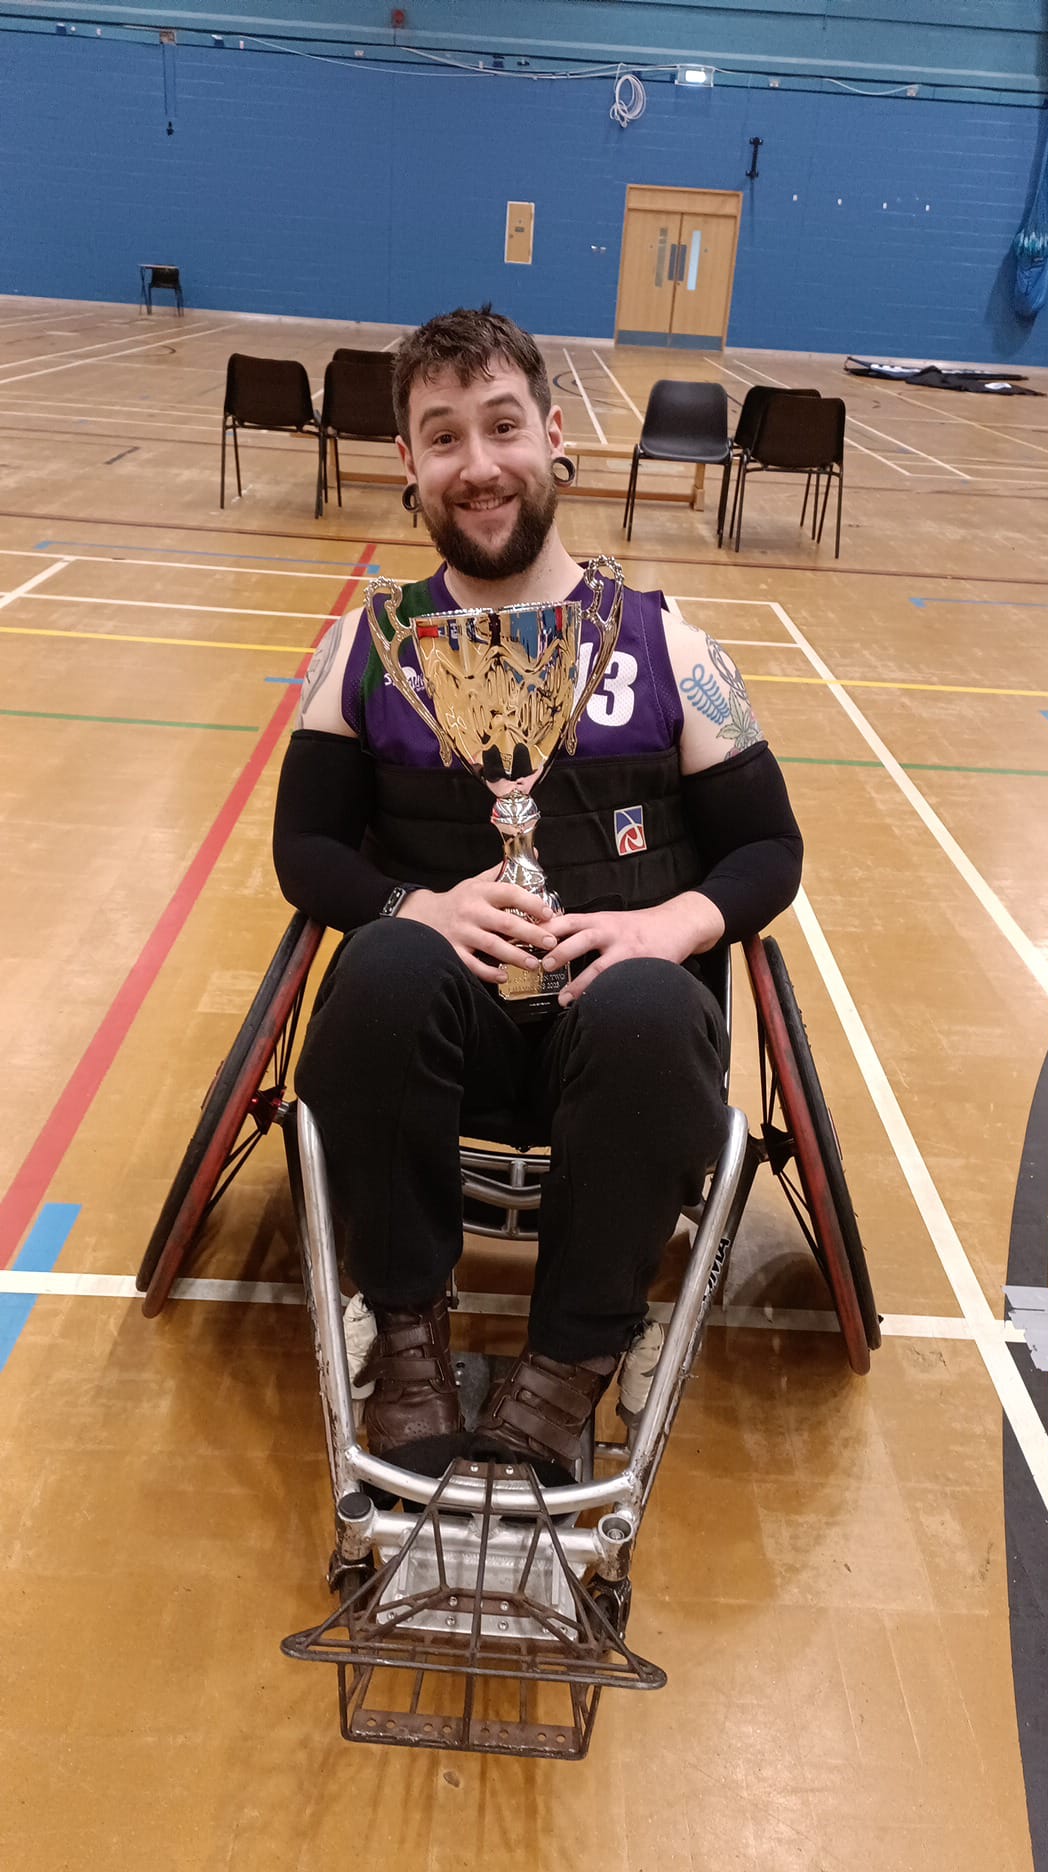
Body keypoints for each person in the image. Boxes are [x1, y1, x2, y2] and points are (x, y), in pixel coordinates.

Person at [273, 306, 803, 1482]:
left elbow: (770, 851)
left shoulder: (670, 649)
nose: (480, 466)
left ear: (554, 435)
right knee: (379, 968)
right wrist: (413, 908)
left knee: (654, 1005)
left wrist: (671, 924)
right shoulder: (367, 651)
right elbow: (303, 848)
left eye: (501, 426)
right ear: (407, 462)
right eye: (444, 437)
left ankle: (566, 1370)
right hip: (439, 1034)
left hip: (612, 1046)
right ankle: (406, 1340)